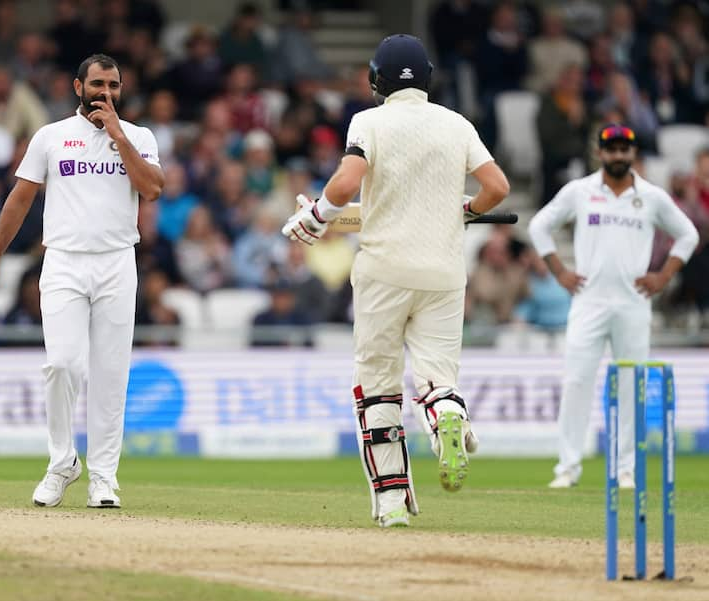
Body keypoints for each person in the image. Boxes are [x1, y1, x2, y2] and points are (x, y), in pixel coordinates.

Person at [282, 34, 509, 528]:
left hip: (385, 272)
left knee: (379, 389)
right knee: (438, 379)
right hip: (444, 272)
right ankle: (447, 414)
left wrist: (317, 218)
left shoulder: (370, 121)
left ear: (375, 79)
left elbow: (344, 186)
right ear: (427, 77)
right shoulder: (457, 123)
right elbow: (497, 188)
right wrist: (466, 211)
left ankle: (392, 503)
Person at [0, 54, 164, 508]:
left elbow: (153, 188)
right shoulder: (51, 136)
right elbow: (20, 200)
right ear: (78, 87)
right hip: (62, 262)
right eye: (97, 83)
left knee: (111, 376)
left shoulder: (137, 136)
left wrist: (118, 136)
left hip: (118, 261)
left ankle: (104, 478)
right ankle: (62, 464)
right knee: (61, 364)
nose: (106, 92)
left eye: (114, 85)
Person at [528, 124, 698, 489]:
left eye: (625, 149)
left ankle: (625, 469)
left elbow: (689, 234)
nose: (618, 155)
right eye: (612, 149)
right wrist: (559, 270)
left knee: (630, 385)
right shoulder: (580, 191)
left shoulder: (651, 197)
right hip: (588, 302)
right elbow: (539, 226)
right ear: (601, 153)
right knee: (576, 383)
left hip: (634, 305)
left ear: (633, 153)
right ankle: (568, 468)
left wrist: (663, 276)